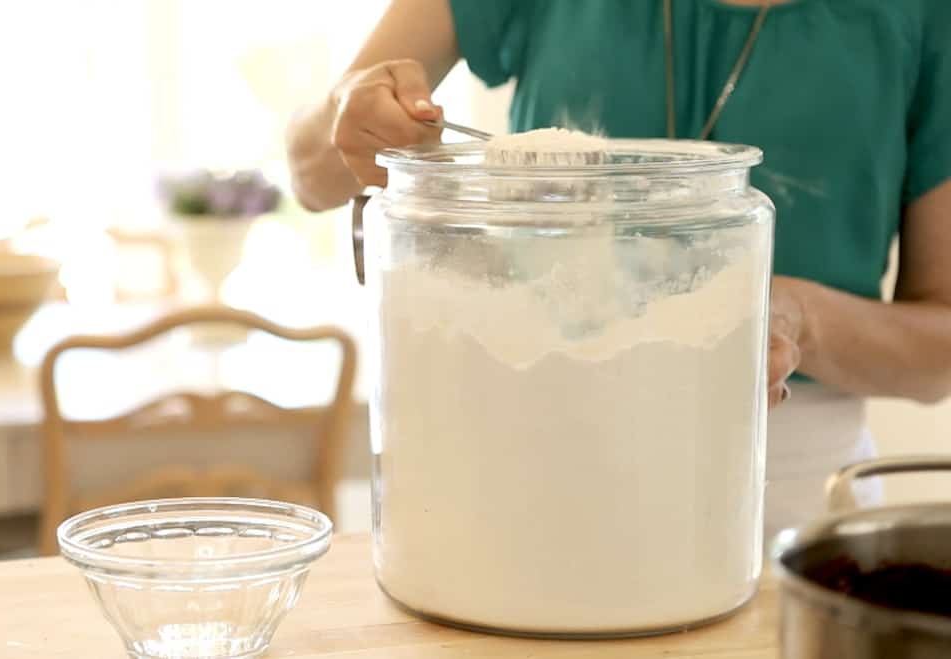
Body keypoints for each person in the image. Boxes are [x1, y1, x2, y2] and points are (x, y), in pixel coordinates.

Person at [285, 0, 951, 538]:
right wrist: (358, 116)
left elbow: (939, 350)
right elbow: (311, 172)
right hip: (521, 462)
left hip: (786, 499)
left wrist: (789, 316)